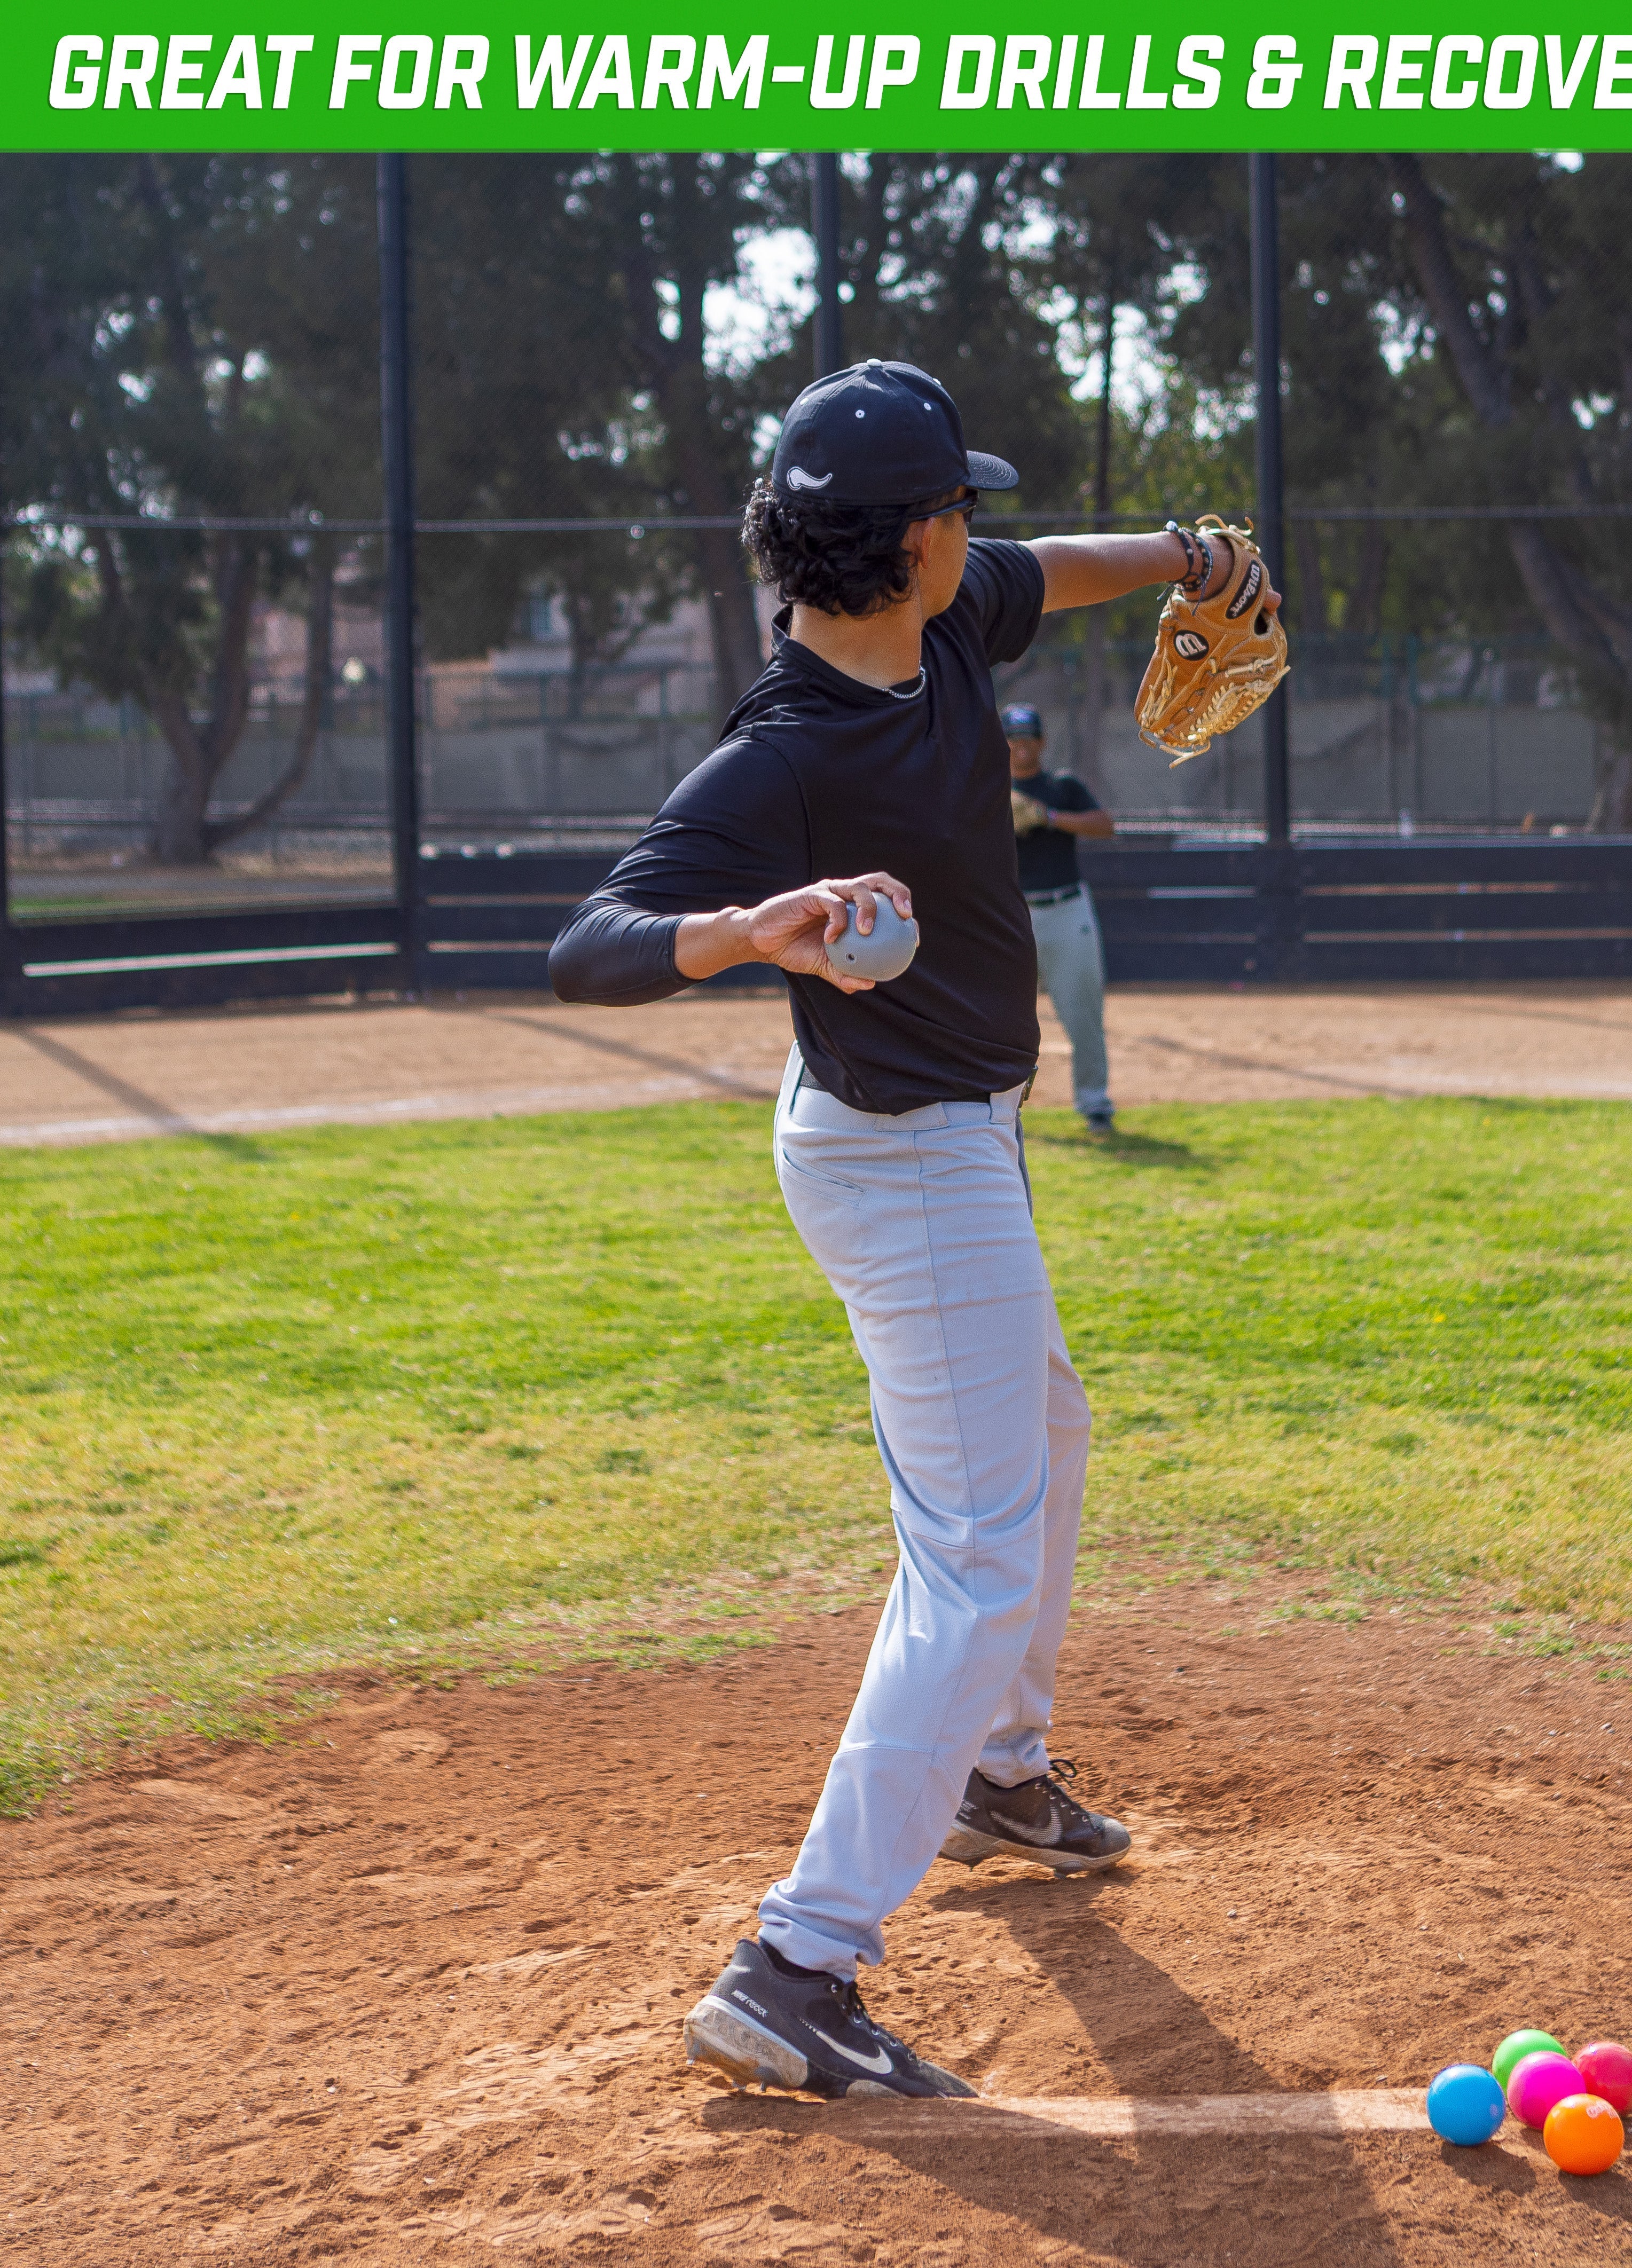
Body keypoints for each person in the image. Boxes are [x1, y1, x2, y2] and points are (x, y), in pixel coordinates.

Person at [547, 358, 1270, 2103]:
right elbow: (589, 942)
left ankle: (996, 1775)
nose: (985, 531)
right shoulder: (783, 750)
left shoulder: (937, 625)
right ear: (913, 537)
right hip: (902, 1154)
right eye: (965, 506)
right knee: (975, 1548)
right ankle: (795, 1958)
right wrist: (756, 926)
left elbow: (1063, 567)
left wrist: (1184, 551)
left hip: (952, 1138)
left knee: (1046, 1431)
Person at [1002, 703, 1117, 1132]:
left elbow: (1105, 825)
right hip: (1014, 915)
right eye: (1013, 739)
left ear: (1042, 743)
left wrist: (1049, 817)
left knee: (1082, 1012)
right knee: (1001, 1016)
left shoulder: (1061, 786)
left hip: (1067, 908)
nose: (1021, 748)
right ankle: (998, 1106)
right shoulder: (990, 790)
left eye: (1028, 739)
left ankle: (1095, 1103)